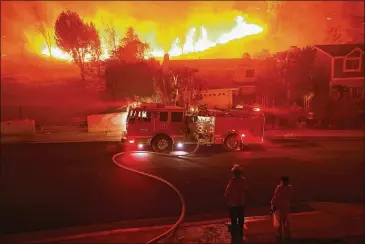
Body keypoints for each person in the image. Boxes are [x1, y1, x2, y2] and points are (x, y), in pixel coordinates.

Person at [224, 164, 248, 243]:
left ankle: (234, 235)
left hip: (233, 203)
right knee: (241, 219)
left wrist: (226, 198)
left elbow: (227, 192)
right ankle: (240, 234)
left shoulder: (232, 181)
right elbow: (245, 190)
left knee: (234, 219)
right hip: (241, 202)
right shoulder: (243, 180)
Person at [271, 176, 293, 243]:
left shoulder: (279, 188)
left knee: (278, 223)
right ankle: (287, 236)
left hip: (279, 208)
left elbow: (275, 198)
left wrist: (272, 206)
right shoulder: (290, 188)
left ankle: (279, 236)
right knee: (286, 223)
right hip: (286, 207)